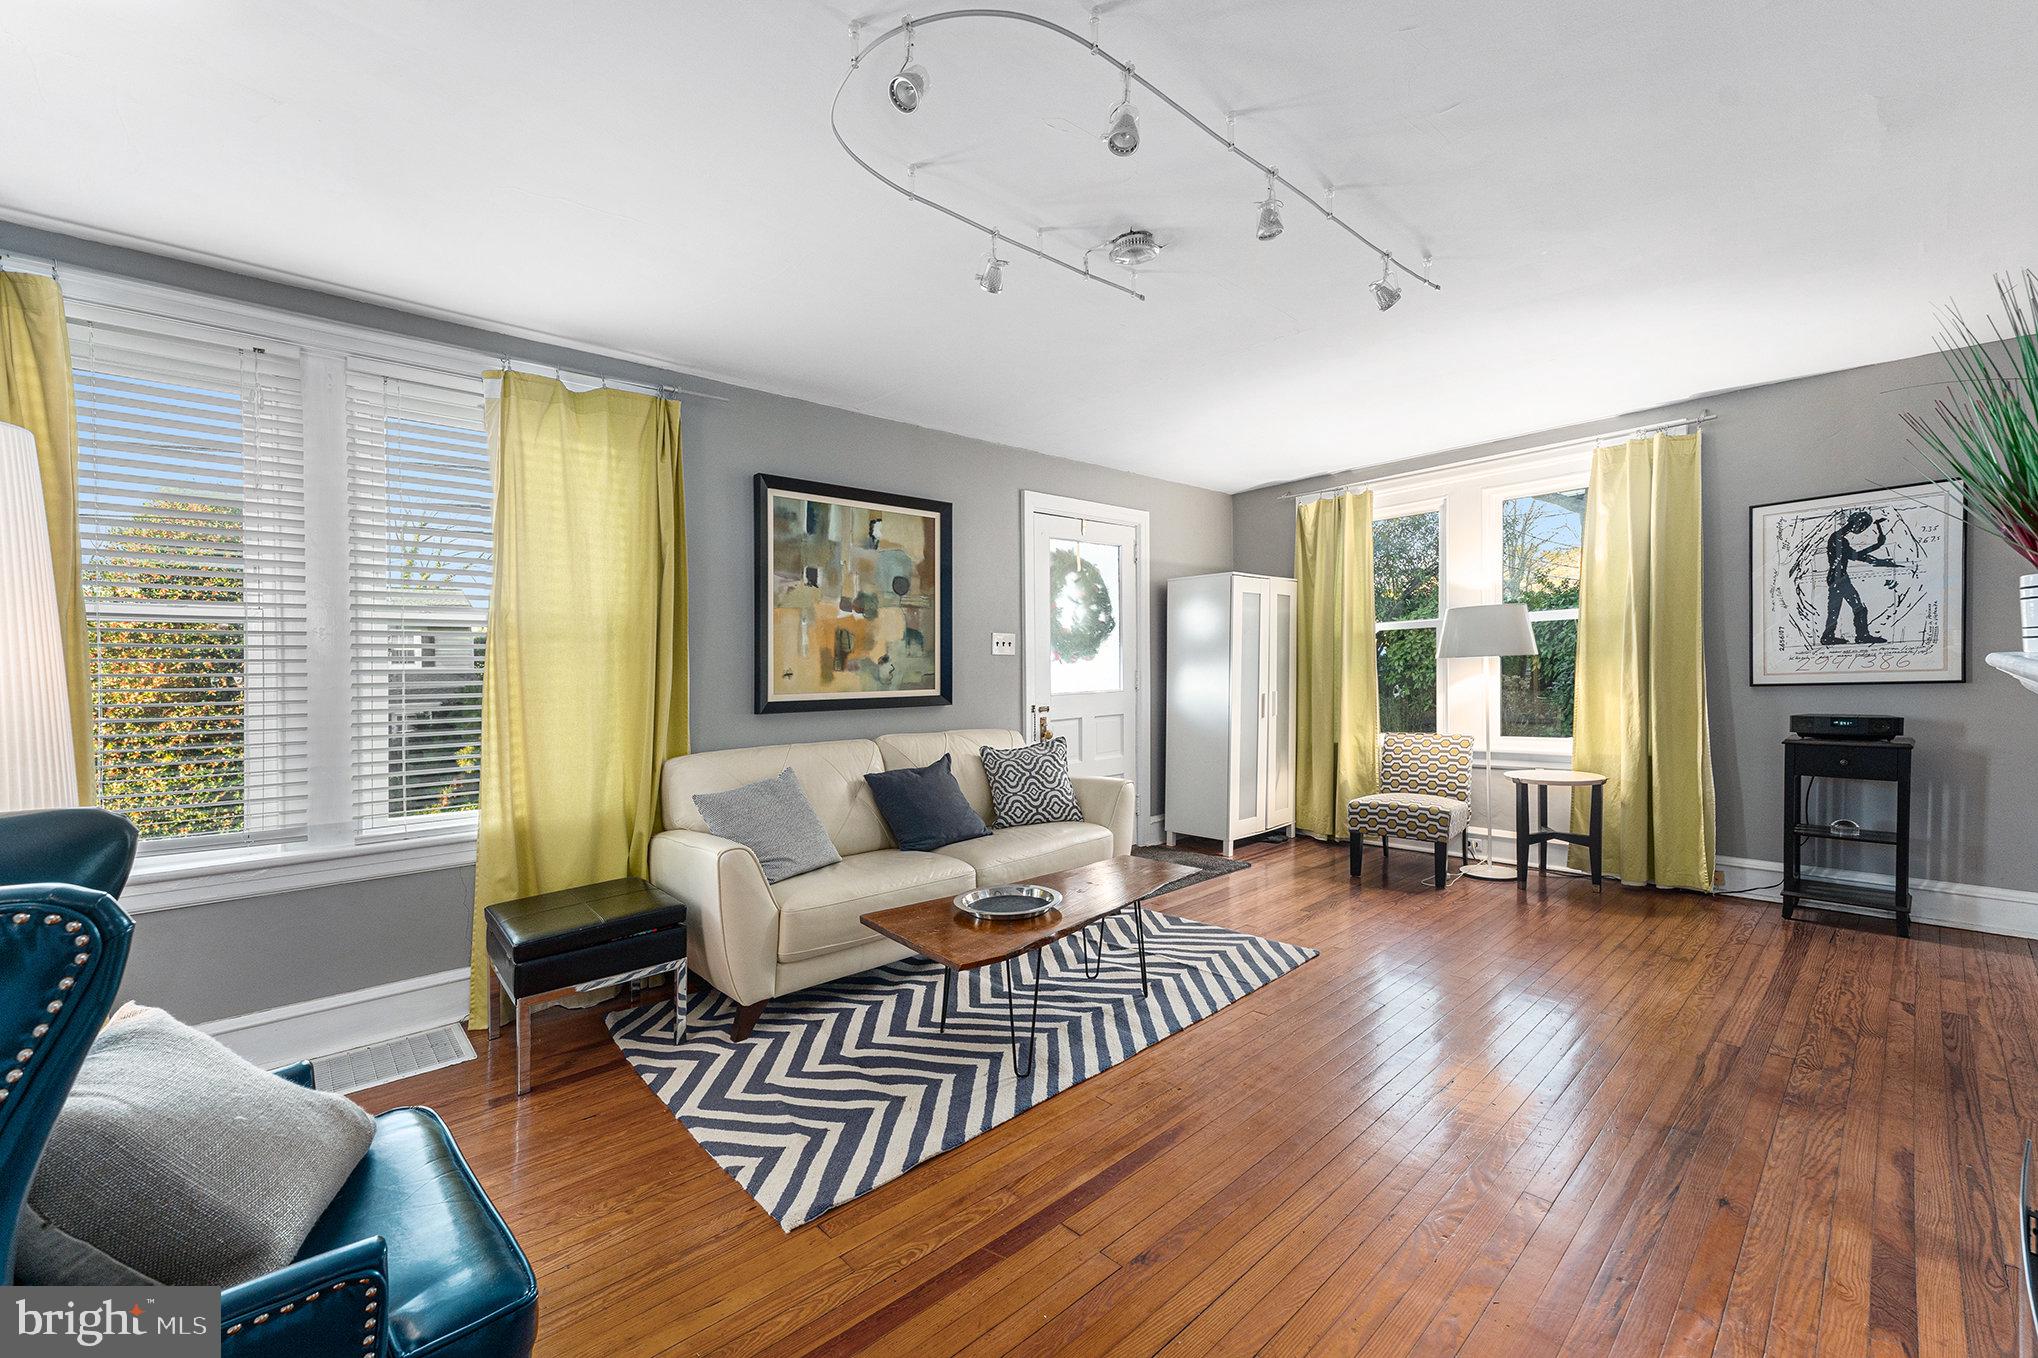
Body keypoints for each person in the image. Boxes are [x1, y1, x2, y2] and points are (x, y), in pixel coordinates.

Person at [1821, 511, 1897, 645]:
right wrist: (1877, 545)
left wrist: (1877, 549)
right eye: (1862, 526)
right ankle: (1862, 636)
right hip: (1840, 579)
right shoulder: (1837, 539)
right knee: (1858, 608)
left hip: (1836, 578)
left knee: (1835, 609)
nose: (1861, 530)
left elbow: (1855, 556)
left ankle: (1828, 637)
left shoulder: (1840, 540)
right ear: (1855, 523)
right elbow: (1856, 555)